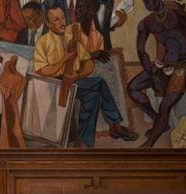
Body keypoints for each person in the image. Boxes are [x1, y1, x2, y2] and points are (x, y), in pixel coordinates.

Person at [33, 6, 138, 147]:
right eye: (56, 19)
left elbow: (88, 63)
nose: (62, 22)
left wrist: (77, 76)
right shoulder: (43, 42)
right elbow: (41, 70)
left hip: (75, 81)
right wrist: (64, 59)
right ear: (48, 23)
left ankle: (83, 143)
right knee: (99, 82)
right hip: (56, 83)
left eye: (63, 18)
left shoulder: (72, 38)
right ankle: (115, 125)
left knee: (94, 96)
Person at [127, 0, 186, 148]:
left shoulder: (177, 15)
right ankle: (159, 121)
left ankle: (149, 144)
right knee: (132, 88)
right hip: (165, 63)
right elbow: (141, 51)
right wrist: (150, 71)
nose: (147, 3)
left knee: (165, 106)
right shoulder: (146, 23)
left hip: (183, 65)